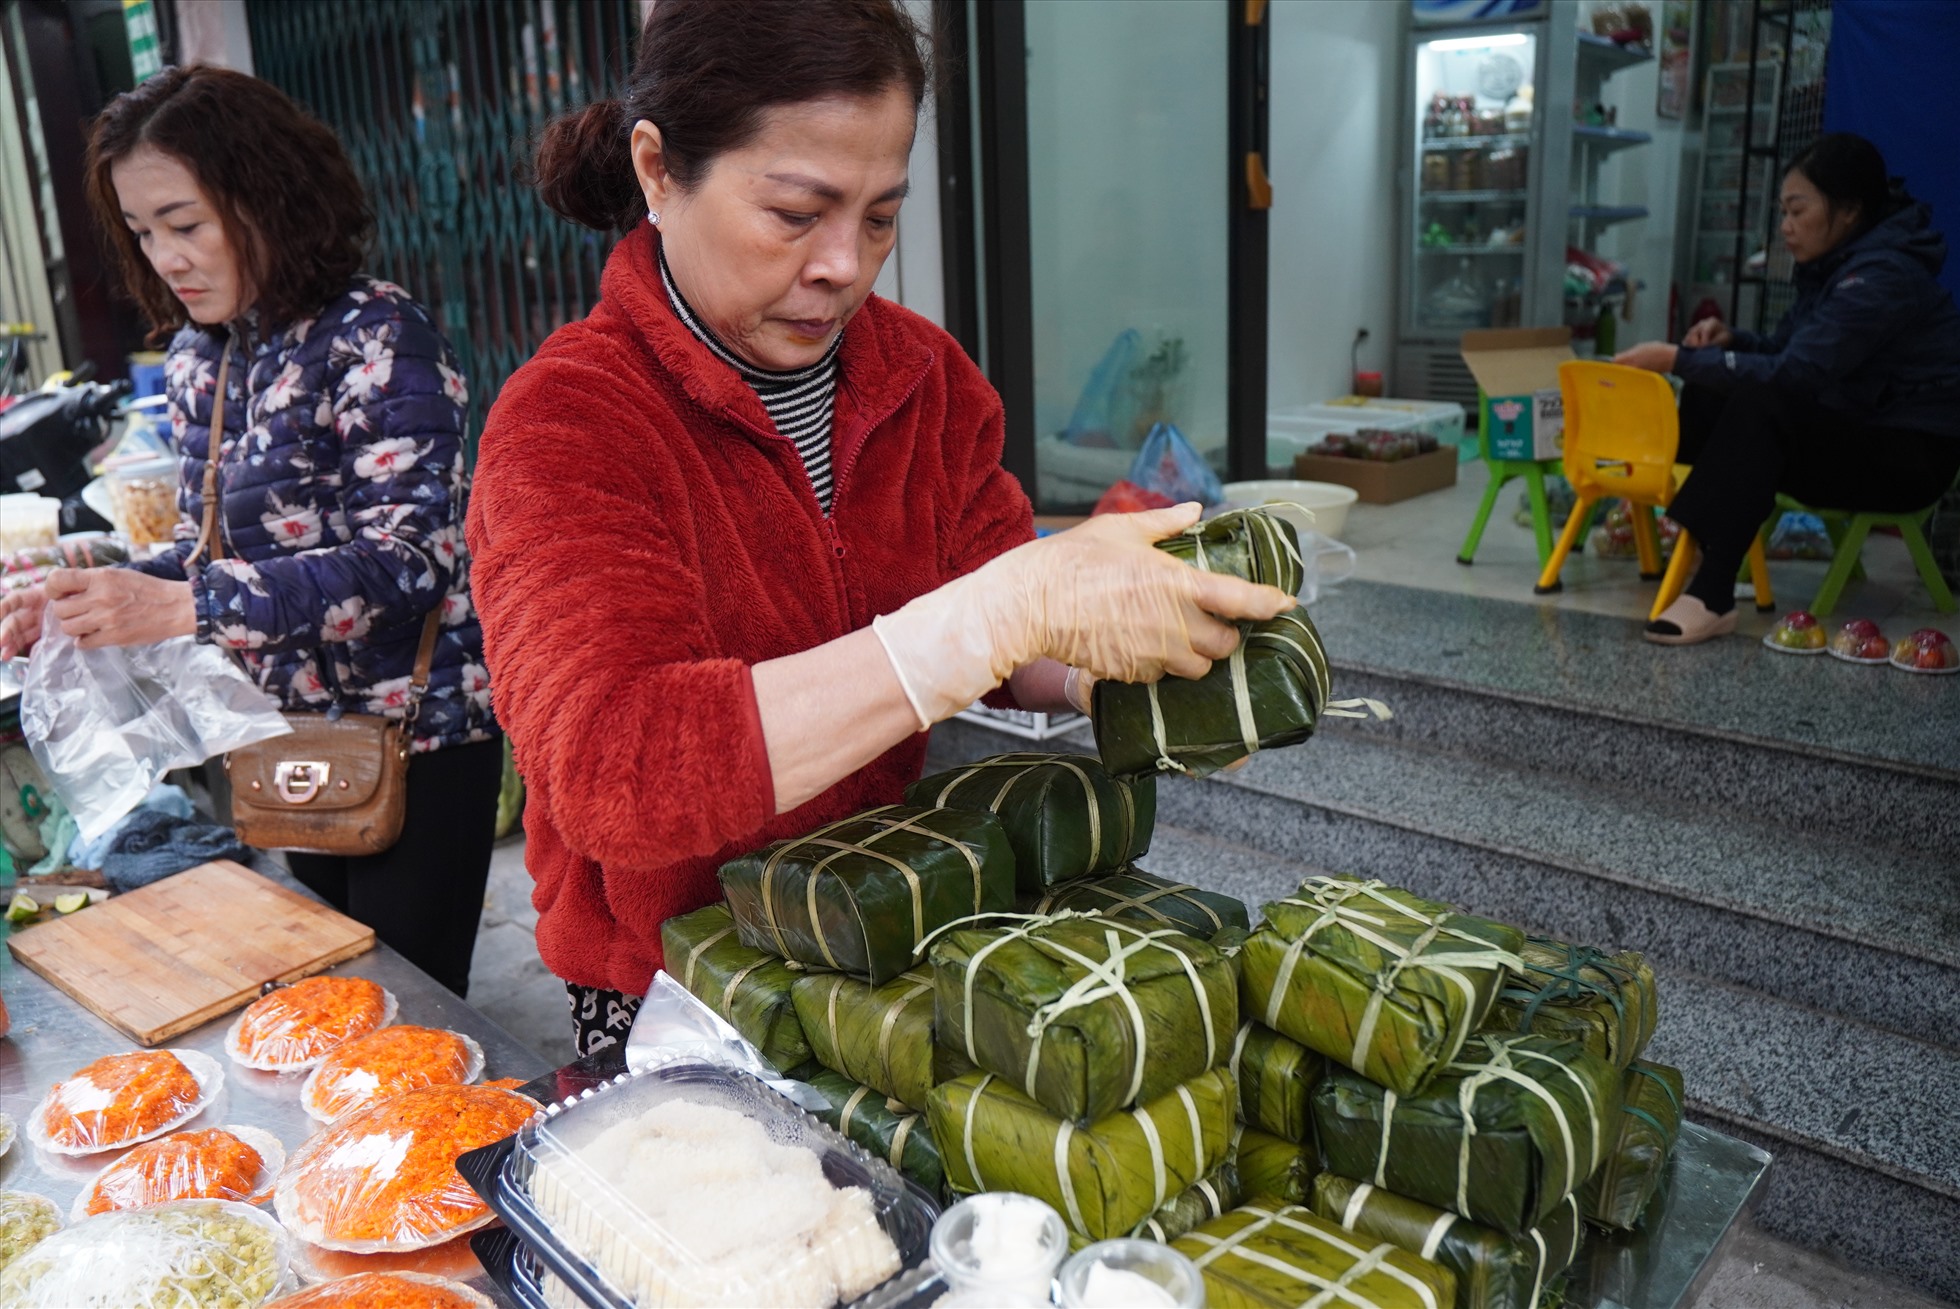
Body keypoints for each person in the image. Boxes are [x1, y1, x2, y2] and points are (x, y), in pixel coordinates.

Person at [465, 0, 1294, 1057]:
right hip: (680, 981)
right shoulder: (570, 422)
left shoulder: (919, 376)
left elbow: (997, 624)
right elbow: (607, 773)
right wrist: (991, 615)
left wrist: (1123, 659)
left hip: (886, 924)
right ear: (658, 170)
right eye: (796, 212)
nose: (843, 266)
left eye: (880, 215)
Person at [0, 67, 501, 995]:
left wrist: (185, 604)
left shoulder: (376, 336)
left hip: (415, 741)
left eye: (186, 224)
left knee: (411, 1022)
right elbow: (210, 556)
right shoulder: (200, 359)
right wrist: (87, 600)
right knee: (328, 1008)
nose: (166, 257)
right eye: (143, 232)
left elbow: (414, 560)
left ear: (268, 196)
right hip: (282, 738)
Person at [1615, 133, 1960, 644]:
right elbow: (1785, 351)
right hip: (1858, 427)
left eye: (1798, 211)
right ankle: (1688, 537)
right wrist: (1731, 340)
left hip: (1909, 455)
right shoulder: (1836, 268)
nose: (1785, 227)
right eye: (1783, 211)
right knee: (1716, 389)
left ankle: (1712, 590)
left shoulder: (1882, 276)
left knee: (1758, 401)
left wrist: (1679, 359)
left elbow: (1794, 376)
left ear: (1847, 211)